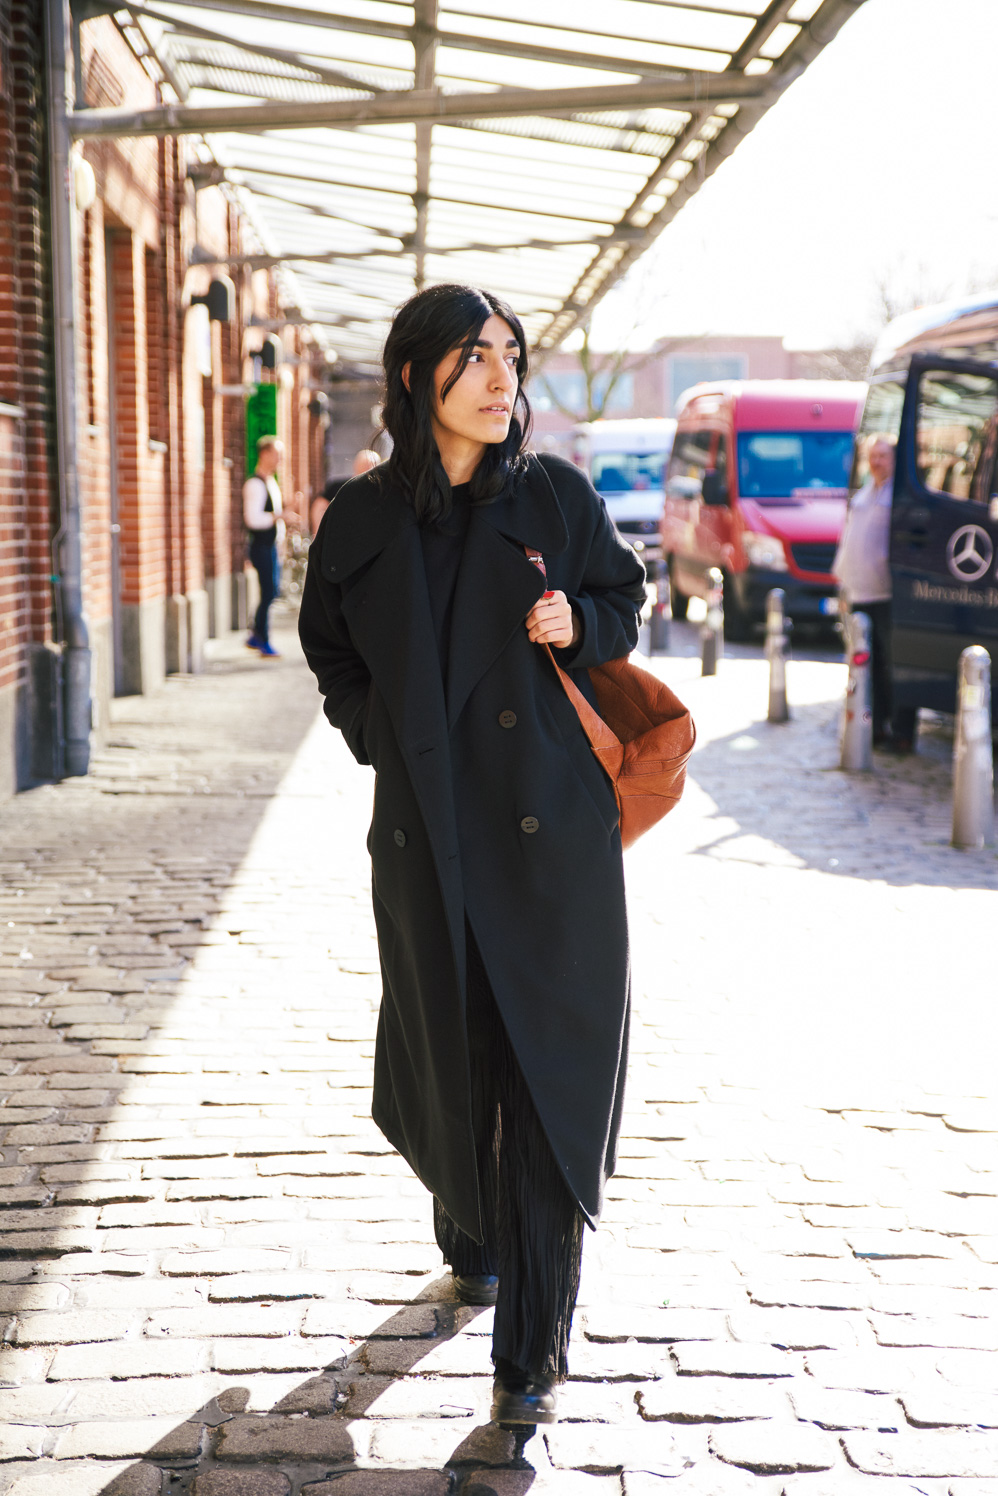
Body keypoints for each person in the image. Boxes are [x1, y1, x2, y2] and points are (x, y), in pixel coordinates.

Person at [298, 284, 645, 1428]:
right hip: (428, 838)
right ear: (415, 377)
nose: (502, 379)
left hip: (551, 842)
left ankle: (528, 1353)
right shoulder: (359, 519)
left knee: (544, 1080)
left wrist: (578, 624)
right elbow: (329, 649)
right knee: (452, 1050)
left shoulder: (553, 495)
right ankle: (469, 1230)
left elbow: (622, 597)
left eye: (510, 356)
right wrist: (378, 734)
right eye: (474, 357)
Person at [833, 434, 907, 748]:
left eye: (883, 456)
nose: (877, 462)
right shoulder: (865, 494)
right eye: (873, 456)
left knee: (889, 664)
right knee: (865, 664)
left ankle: (896, 728)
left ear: (894, 459)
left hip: (885, 594)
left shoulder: (898, 496)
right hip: (859, 592)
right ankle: (872, 725)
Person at [244, 435, 285, 658]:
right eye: (277, 454)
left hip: (271, 545)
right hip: (260, 545)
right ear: (264, 454)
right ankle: (261, 637)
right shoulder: (255, 484)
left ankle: (257, 634)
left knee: (271, 591)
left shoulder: (271, 482)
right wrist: (279, 516)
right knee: (268, 591)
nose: (280, 459)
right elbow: (253, 519)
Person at [311, 448, 382, 535]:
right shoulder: (340, 487)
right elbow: (319, 505)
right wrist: (318, 532)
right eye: (365, 466)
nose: (367, 470)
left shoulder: (382, 491)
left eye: (371, 466)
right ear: (356, 466)